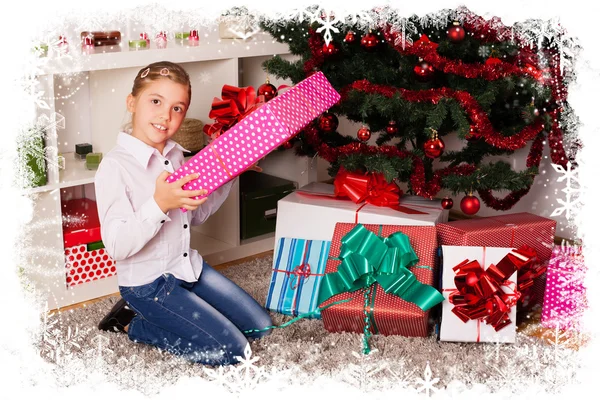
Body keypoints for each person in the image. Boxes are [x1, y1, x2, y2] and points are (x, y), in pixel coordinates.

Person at [94, 61, 272, 366]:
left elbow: (196, 216)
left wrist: (229, 173)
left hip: (187, 268)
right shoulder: (114, 167)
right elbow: (116, 246)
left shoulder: (176, 155)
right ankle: (134, 323)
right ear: (132, 102)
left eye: (178, 108)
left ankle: (174, 310)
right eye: (155, 101)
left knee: (262, 328)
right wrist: (159, 203)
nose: (166, 115)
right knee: (235, 352)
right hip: (148, 285)